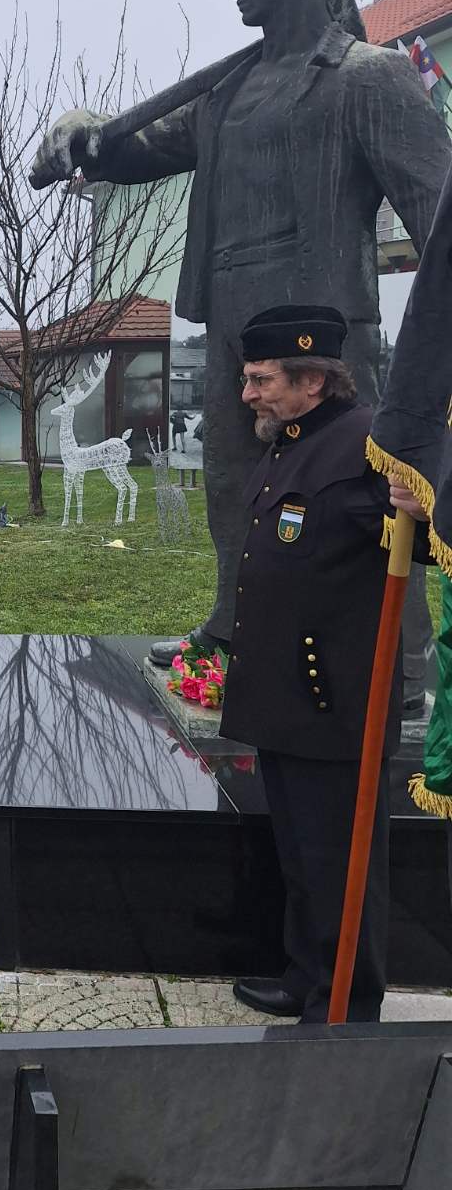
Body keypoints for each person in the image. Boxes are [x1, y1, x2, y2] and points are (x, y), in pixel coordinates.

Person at [33, 0, 448, 703]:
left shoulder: (368, 77)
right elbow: (140, 148)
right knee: (234, 482)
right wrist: (90, 129)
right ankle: (236, 627)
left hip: (323, 329)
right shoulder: (230, 91)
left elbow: (439, 210)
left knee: (360, 486)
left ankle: (401, 657)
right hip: (232, 316)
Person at [217, 305, 430, 1026]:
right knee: (302, 857)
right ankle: (307, 974)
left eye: (261, 380)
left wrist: (426, 510)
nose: (248, 394)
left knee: (342, 864)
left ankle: (346, 1004)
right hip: (284, 698)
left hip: (335, 699)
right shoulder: (292, 443)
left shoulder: (371, 447)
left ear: (312, 380)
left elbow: (430, 545)